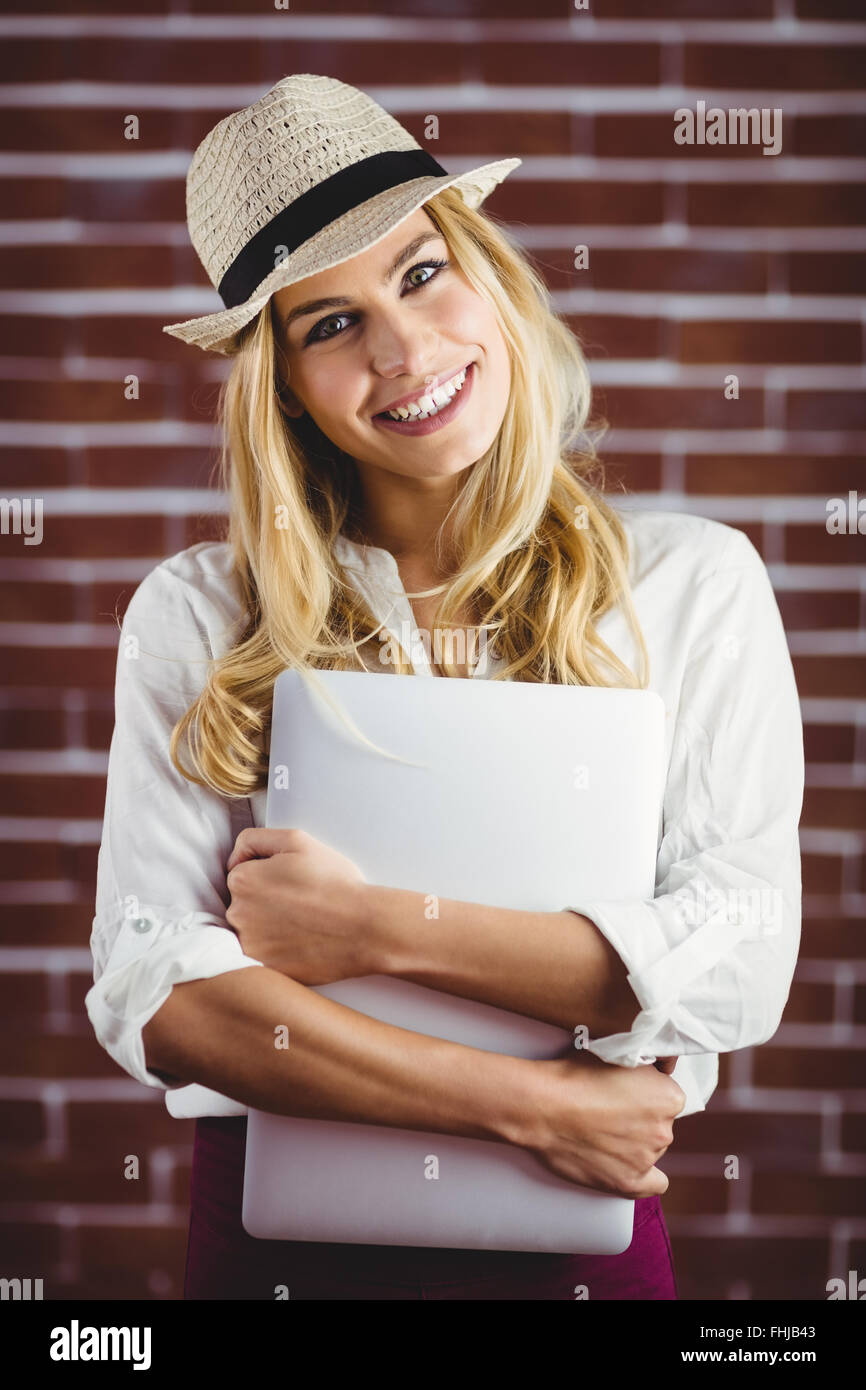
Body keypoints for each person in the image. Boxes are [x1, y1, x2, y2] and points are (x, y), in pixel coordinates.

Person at [86, 74, 805, 1301]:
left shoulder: (692, 584)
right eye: (329, 325)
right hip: (286, 1257)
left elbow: (739, 960)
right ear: (286, 392)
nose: (404, 353)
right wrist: (525, 1104)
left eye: (419, 274)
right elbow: (159, 995)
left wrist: (367, 929)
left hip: (579, 1242)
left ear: (486, 273)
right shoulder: (198, 611)